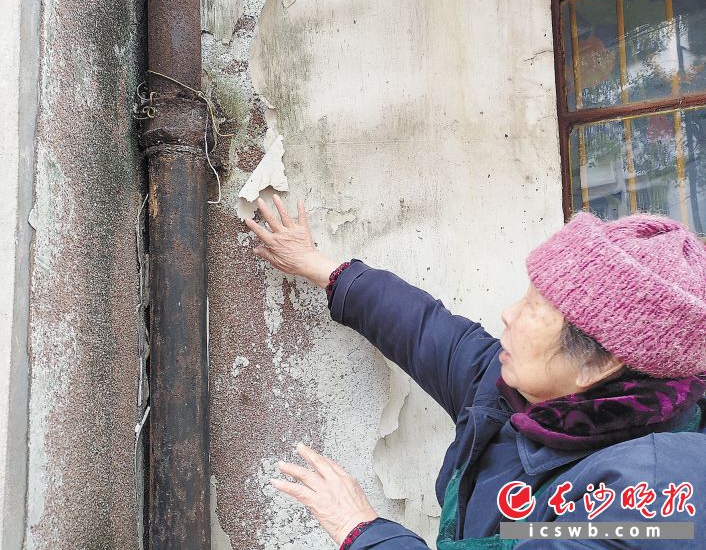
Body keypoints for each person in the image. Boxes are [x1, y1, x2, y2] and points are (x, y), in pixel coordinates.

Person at [245, 195, 706, 549]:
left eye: (535, 308)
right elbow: (426, 331)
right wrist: (319, 267)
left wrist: (360, 529)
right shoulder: (515, 391)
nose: (508, 313)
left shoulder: (649, 496)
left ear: (599, 362)